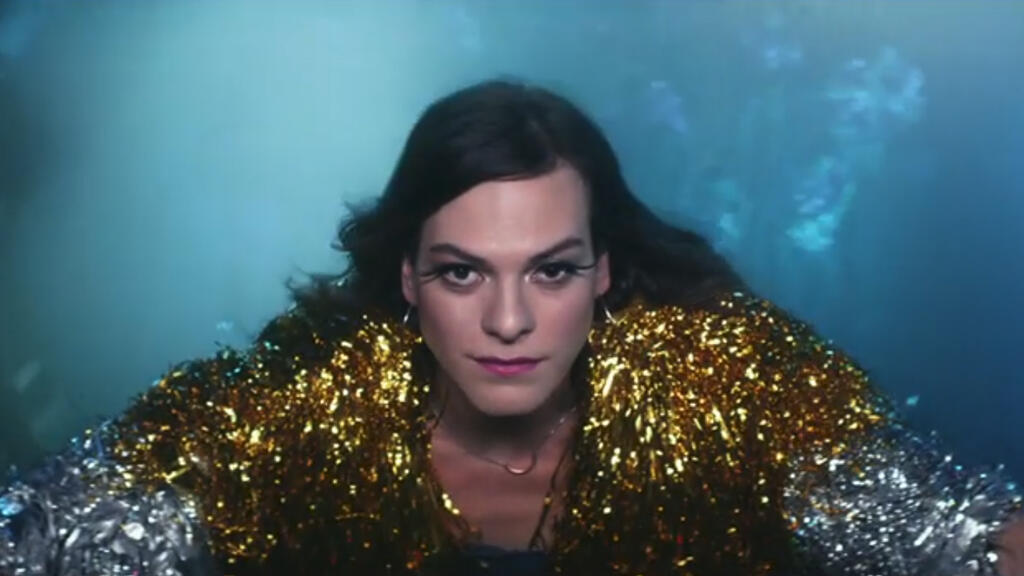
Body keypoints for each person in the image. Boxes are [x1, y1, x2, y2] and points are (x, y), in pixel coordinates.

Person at [1, 78, 1022, 576]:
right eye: (461, 272)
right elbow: (48, 534)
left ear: (603, 273)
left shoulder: (717, 390)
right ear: (407, 278)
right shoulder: (306, 407)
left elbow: (964, 537)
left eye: (552, 269)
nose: (507, 320)